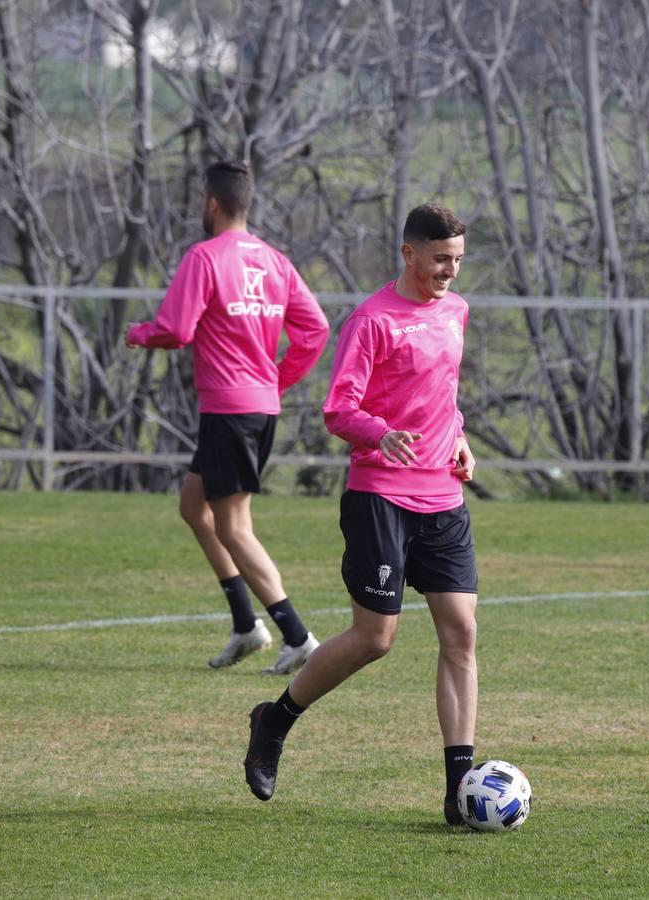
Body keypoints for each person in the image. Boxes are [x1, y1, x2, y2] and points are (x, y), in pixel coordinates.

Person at [241, 203, 480, 826]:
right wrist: (381, 433)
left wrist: (458, 434)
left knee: (461, 634)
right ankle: (275, 719)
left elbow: (445, 395)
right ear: (409, 254)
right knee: (377, 639)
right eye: (439, 260)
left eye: (457, 259)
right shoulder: (372, 320)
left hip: (443, 497)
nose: (450, 271)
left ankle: (459, 791)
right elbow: (338, 408)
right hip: (379, 495)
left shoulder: (456, 312)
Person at [126, 160, 329, 672]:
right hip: (255, 408)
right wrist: (274, 381)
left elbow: (175, 329)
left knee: (235, 527)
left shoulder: (204, 257)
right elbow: (316, 330)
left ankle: (298, 637)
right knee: (195, 507)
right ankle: (246, 626)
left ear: (212, 203)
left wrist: (139, 333)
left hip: (231, 410)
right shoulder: (275, 261)